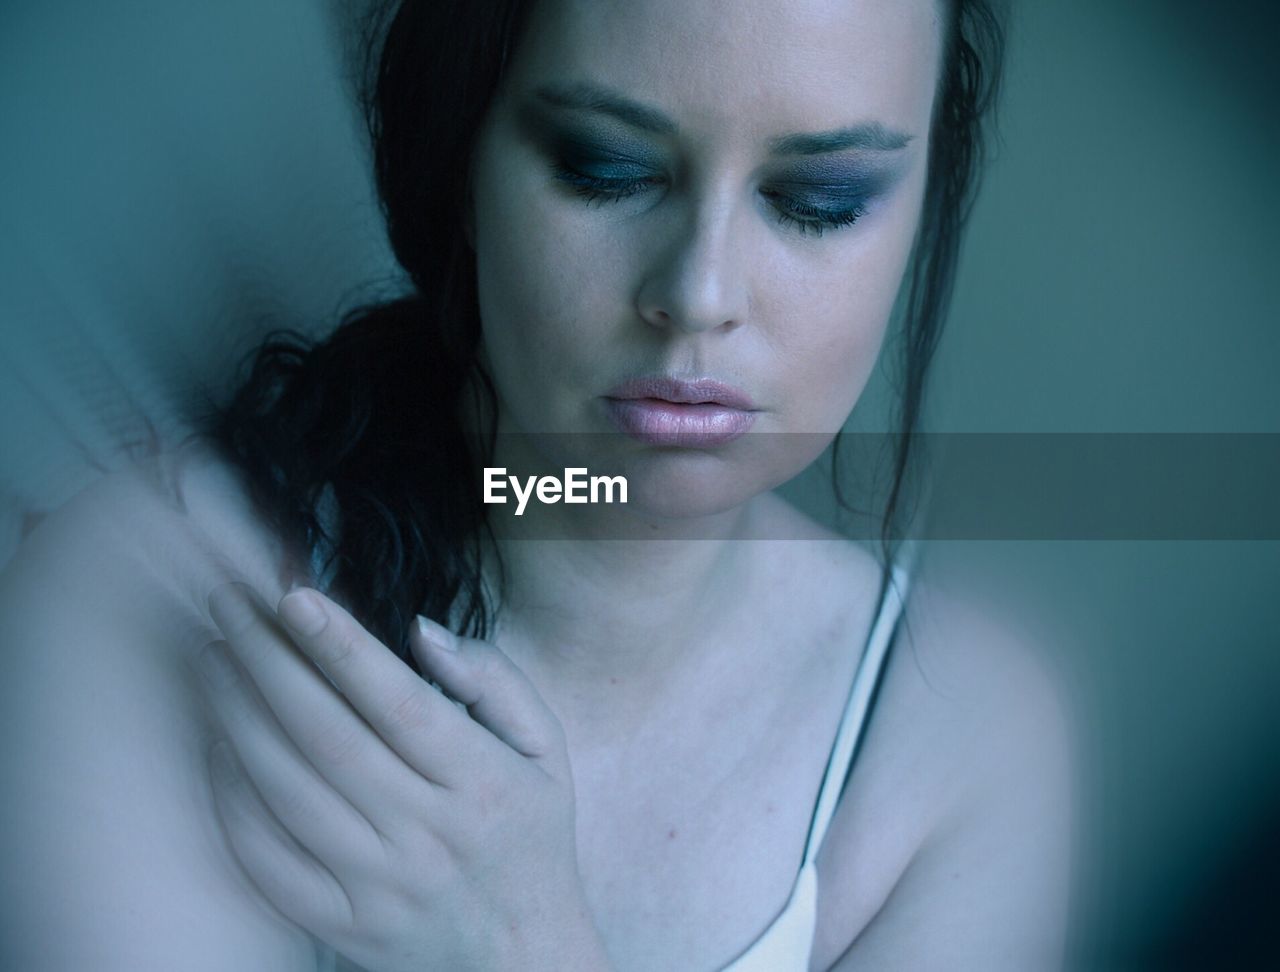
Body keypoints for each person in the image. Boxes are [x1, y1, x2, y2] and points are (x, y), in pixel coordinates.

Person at [0, 0, 1073, 969]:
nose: (698, 293)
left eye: (817, 199)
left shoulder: (960, 748)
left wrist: (520, 947)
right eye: (605, 166)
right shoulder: (144, 604)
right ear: (462, 164)